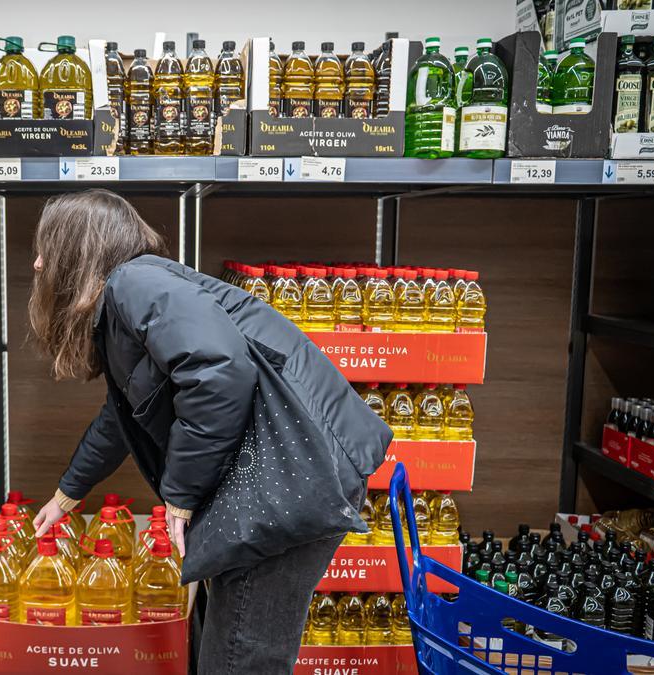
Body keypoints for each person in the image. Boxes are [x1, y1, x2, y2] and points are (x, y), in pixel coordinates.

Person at [27, 189, 389, 674]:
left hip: (292, 479)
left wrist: (180, 495)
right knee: (236, 645)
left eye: (47, 249)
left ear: (77, 251)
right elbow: (123, 414)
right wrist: (68, 493)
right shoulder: (133, 294)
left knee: (241, 656)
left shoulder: (134, 284)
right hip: (285, 474)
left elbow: (218, 372)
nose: (37, 264)